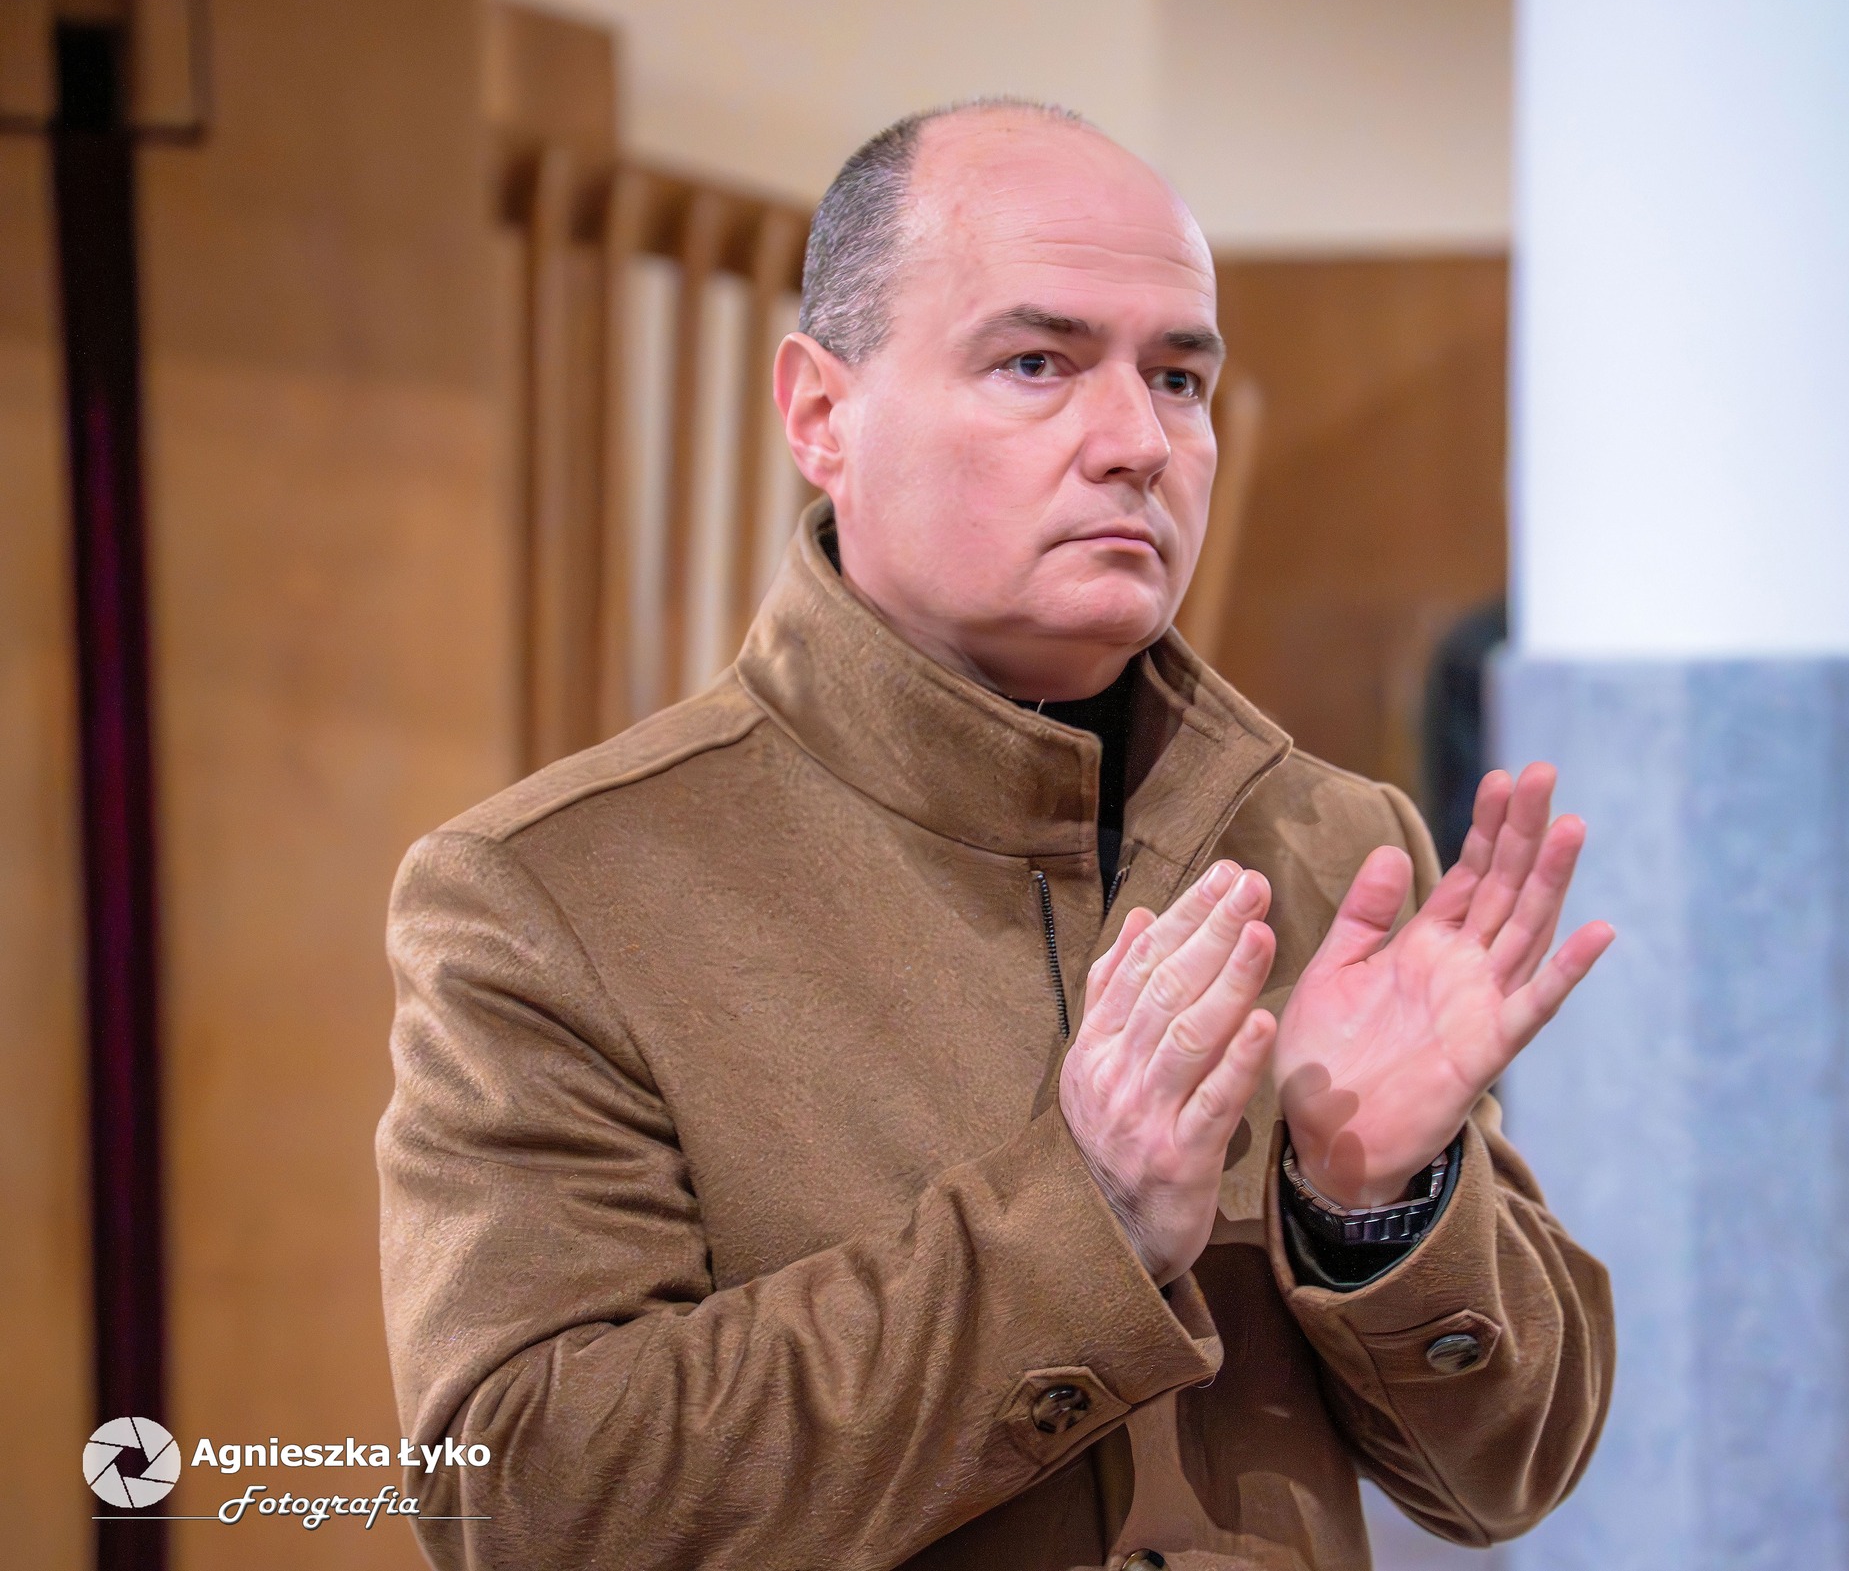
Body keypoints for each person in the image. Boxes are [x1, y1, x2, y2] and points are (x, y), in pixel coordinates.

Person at [377, 99, 1615, 1571]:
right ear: (821, 415)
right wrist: (1085, 1226)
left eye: (1179, 377)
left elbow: (1510, 1475)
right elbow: (526, 1503)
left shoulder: (1333, 841)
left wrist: (1377, 1206)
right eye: (1038, 363)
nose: (1139, 442)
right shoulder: (549, 892)